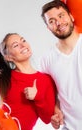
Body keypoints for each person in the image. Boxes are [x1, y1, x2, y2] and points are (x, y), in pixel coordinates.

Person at [0, 33, 56, 130]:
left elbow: (47, 119)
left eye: (23, 40)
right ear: (8, 57)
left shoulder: (45, 80)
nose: (23, 45)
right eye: (16, 45)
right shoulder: (4, 77)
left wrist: (37, 97)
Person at [39, 0, 82, 130]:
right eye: (51, 21)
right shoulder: (46, 60)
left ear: (71, 16)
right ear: (48, 27)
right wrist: (55, 109)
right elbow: (50, 94)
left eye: (61, 15)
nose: (58, 23)